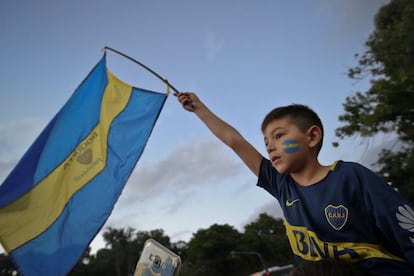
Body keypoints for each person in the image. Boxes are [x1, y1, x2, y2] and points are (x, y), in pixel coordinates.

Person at [174, 92, 414, 276]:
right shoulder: (281, 185)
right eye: (266, 141)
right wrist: (199, 109)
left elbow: (405, 227)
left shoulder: (351, 177)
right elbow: (235, 141)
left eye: (279, 136)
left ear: (312, 136)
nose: (269, 146)